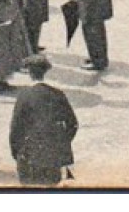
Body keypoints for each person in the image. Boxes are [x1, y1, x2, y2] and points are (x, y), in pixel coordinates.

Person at [9, 55, 78, 187]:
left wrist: (16, 152)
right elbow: (73, 124)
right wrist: (60, 141)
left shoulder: (24, 96)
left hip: (29, 155)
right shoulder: (58, 94)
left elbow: (16, 128)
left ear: (29, 73)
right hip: (53, 156)